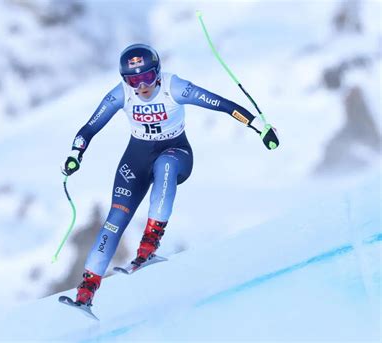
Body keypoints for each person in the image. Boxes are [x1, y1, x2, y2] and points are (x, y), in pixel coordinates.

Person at [63, 43, 279, 307]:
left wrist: (259, 126)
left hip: (176, 152)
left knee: (165, 166)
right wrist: (76, 154)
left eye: (147, 77)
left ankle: (149, 244)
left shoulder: (174, 87)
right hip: (137, 158)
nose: (141, 86)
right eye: (133, 80)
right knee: (115, 219)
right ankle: (86, 290)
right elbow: (89, 128)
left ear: (158, 73)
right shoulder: (121, 95)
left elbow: (221, 104)